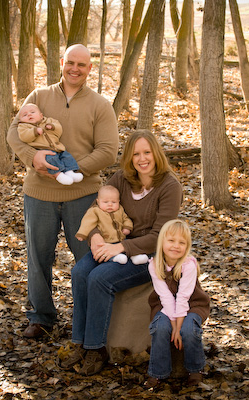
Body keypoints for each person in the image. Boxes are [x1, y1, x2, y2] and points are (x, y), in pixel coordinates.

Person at [7, 44, 119, 338]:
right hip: (39, 192)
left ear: (89, 69)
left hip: (83, 194)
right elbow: (13, 131)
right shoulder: (39, 97)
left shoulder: (100, 105)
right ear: (61, 63)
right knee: (38, 256)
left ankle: (89, 319)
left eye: (81, 64)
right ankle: (41, 318)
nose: (75, 69)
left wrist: (71, 170)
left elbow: (108, 151)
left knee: (89, 258)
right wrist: (34, 158)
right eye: (70, 62)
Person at [60, 129, 183, 376]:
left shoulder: (170, 186)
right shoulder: (121, 179)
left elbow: (160, 236)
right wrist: (95, 235)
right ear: (129, 157)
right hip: (112, 245)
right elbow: (96, 209)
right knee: (80, 272)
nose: (142, 158)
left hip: (149, 254)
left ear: (156, 154)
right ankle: (80, 341)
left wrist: (120, 247)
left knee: (99, 278)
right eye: (136, 153)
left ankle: (96, 349)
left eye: (147, 152)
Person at [145, 219, 210, 389]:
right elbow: (165, 296)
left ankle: (195, 369)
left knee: (188, 329)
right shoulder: (155, 264)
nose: (176, 246)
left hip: (192, 304)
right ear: (162, 242)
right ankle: (158, 373)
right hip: (164, 305)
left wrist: (178, 327)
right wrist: (173, 327)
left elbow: (183, 297)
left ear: (187, 246)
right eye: (171, 240)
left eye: (182, 242)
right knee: (160, 327)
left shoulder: (188, 265)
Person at [76, 185, 149, 265]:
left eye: (114, 202)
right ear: (98, 201)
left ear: (119, 201)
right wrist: (82, 234)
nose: (110, 205)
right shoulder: (95, 211)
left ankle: (136, 257)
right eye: (106, 202)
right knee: (103, 251)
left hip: (121, 240)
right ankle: (115, 258)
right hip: (106, 242)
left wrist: (127, 227)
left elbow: (126, 219)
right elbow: (88, 222)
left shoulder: (120, 210)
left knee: (129, 245)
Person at [18, 103, 83, 185]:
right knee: (50, 160)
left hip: (57, 147)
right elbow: (24, 137)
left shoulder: (49, 121)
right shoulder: (23, 127)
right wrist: (34, 132)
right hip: (42, 150)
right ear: (20, 120)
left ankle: (70, 172)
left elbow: (59, 129)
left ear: (41, 115)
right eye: (25, 115)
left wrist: (52, 127)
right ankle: (58, 175)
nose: (29, 115)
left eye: (32, 112)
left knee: (67, 156)